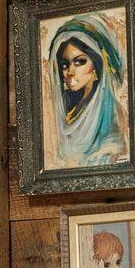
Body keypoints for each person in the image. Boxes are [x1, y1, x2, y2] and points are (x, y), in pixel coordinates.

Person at [43, 14, 128, 168]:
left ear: (96, 64)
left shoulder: (110, 119)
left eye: (79, 62)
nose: (70, 72)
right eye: (64, 64)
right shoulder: (70, 110)